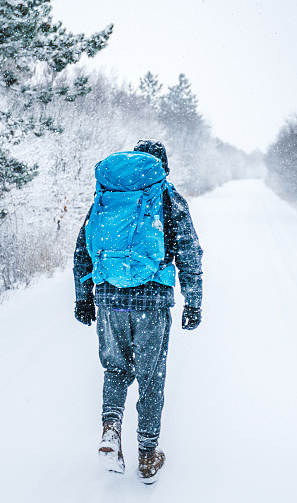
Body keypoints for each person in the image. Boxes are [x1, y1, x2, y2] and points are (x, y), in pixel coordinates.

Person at [73, 139, 203, 484]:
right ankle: (147, 457)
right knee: (151, 377)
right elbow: (190, 252)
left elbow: (83, 249)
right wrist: (194, 301)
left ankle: (111, 429)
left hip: (109, 298)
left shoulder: (109, 194)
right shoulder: (168, 199)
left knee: (116, 370)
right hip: (153, 299)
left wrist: (83, 297)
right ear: (163, 168)